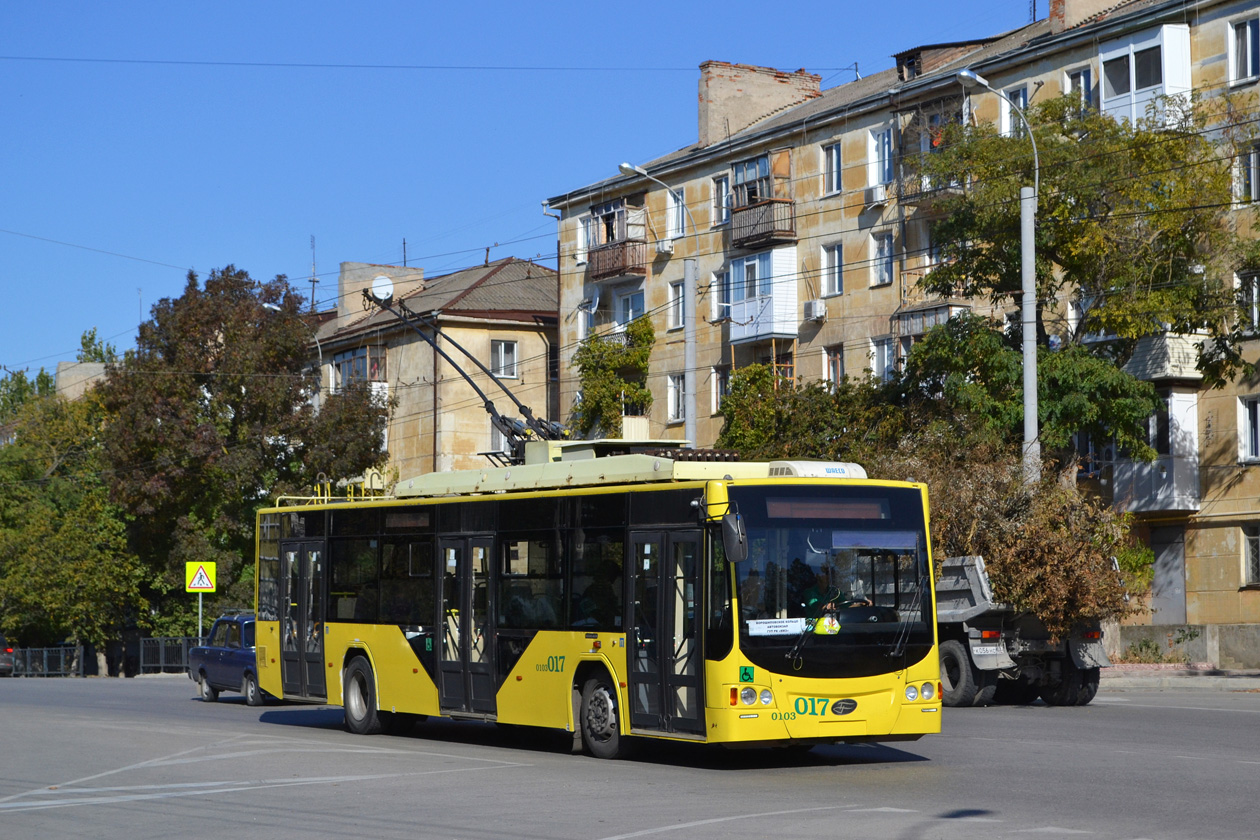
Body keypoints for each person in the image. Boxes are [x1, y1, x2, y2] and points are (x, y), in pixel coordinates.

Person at [801, 571, 870, 618]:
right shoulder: (809, 592)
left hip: (833, 625)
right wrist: (825, 606)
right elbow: (815, 604)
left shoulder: (834, 591)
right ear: (818, 577)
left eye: (828, 574)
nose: (828, 576)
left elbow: (847, 606)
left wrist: (861, 604)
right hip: (812, 629)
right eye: (824, 573)